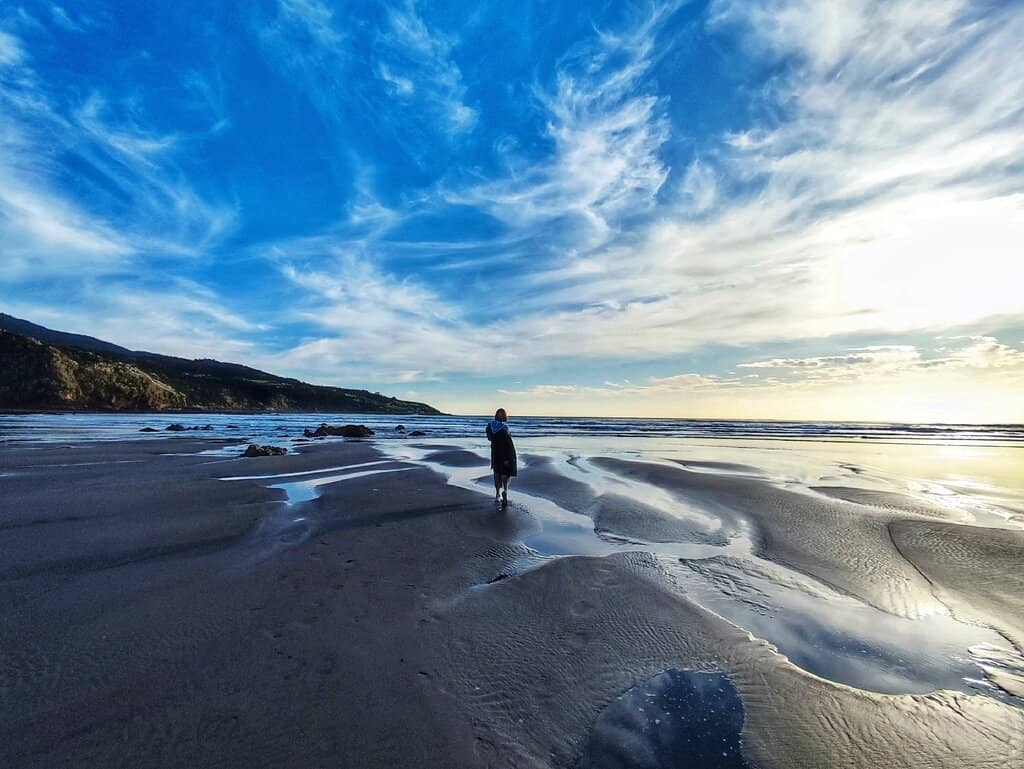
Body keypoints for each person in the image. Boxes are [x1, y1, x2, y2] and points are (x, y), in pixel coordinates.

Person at [486, 408, 517, 506]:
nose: (499, 416)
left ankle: (499, 494)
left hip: (496, 451)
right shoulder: (505, 427)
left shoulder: (490, 426)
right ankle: (503, 492)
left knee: (499, 474)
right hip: (504, 452)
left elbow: (489, 438)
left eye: (500, 414)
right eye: (499, 414)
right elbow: (509, 442)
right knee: (503, 474)